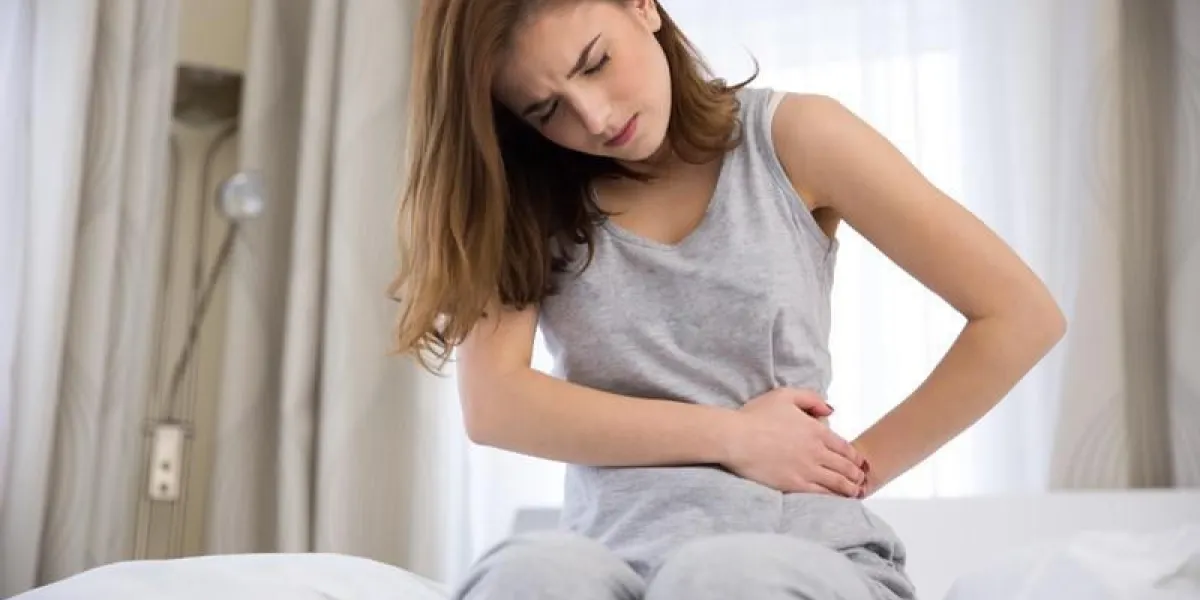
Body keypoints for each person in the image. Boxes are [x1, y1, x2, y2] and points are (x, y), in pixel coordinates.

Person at [390, 1, 1067, 598]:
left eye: (595, 64)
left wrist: (853, 468)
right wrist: (735, 436)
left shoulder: (794, 139)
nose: (592, 118)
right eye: (546, 110)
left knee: (719, 580)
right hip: (610, 559)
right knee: (528, 575)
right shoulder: (530, 201)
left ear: (641, 6)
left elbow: (1019, 315)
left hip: (794, 553)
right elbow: (495, 403)